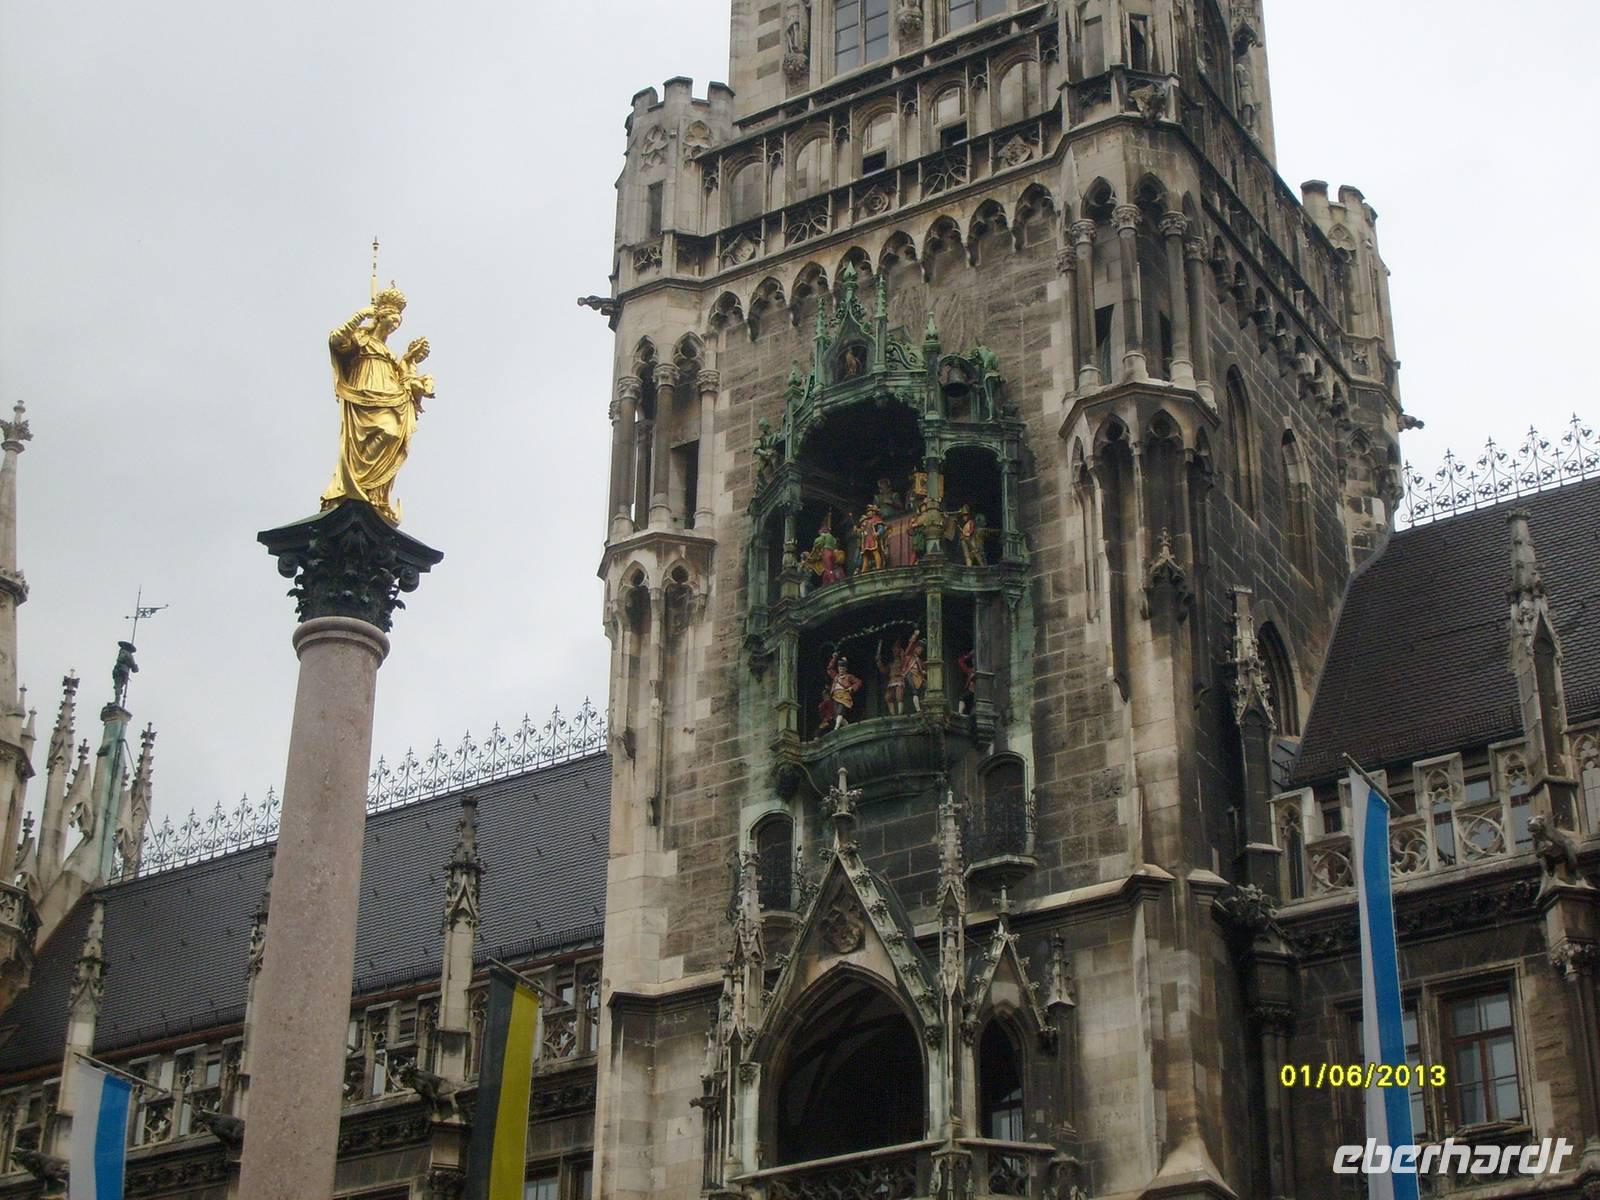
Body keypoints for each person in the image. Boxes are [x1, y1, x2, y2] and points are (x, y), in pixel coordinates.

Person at [321, 286, 434, 525]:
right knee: (378, 434)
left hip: (389, 394)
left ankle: (373, 493)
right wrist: (360, 315)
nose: (394, 324)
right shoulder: (362, 340)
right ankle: (354, 485)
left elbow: (406, 382)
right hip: (364, 392)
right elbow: (336, 340)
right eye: (391, 318)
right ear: (380, 316)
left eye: (398, 321)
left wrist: (412, 361)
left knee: (393, 433)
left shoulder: (392, 356)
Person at [826, 653, 864, 731]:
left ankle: (836, 727)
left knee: (840, 711)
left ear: (845, 669)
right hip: (835, 696)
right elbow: (829, 669)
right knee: (837, 715)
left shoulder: (849, 676)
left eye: (843, 668)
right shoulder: (835, 676)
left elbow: (859, 682)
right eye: (840, 668)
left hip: (844, 696)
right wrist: (834, 658)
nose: (841, 670)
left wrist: (851, 688)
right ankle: (848, 727)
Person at [901, 631, 926, 712]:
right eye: (919, 648)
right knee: (914, 691)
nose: (920, 650)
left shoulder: (919, 660)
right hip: (909, 674)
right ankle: (918, 710)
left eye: (921, 649)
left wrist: (923, 671)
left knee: (927, 686)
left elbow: (922, 669)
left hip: (918, 676)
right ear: (915, 648)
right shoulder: (909, 655)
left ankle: (925, 705)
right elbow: (910, 644)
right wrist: (915, 635)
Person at [857, 504, 887, 572]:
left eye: (869, 511)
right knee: (865, 555)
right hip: (866, 540)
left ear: (874, 512)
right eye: (867, 512)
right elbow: (862, 530)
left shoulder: (877, 519)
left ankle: (878, 567)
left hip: (873, 539)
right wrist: (858, 530)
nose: (868, 513)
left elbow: (881, 528)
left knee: (875, 552)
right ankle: (864, 569)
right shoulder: (866, 521)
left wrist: (878, 533)